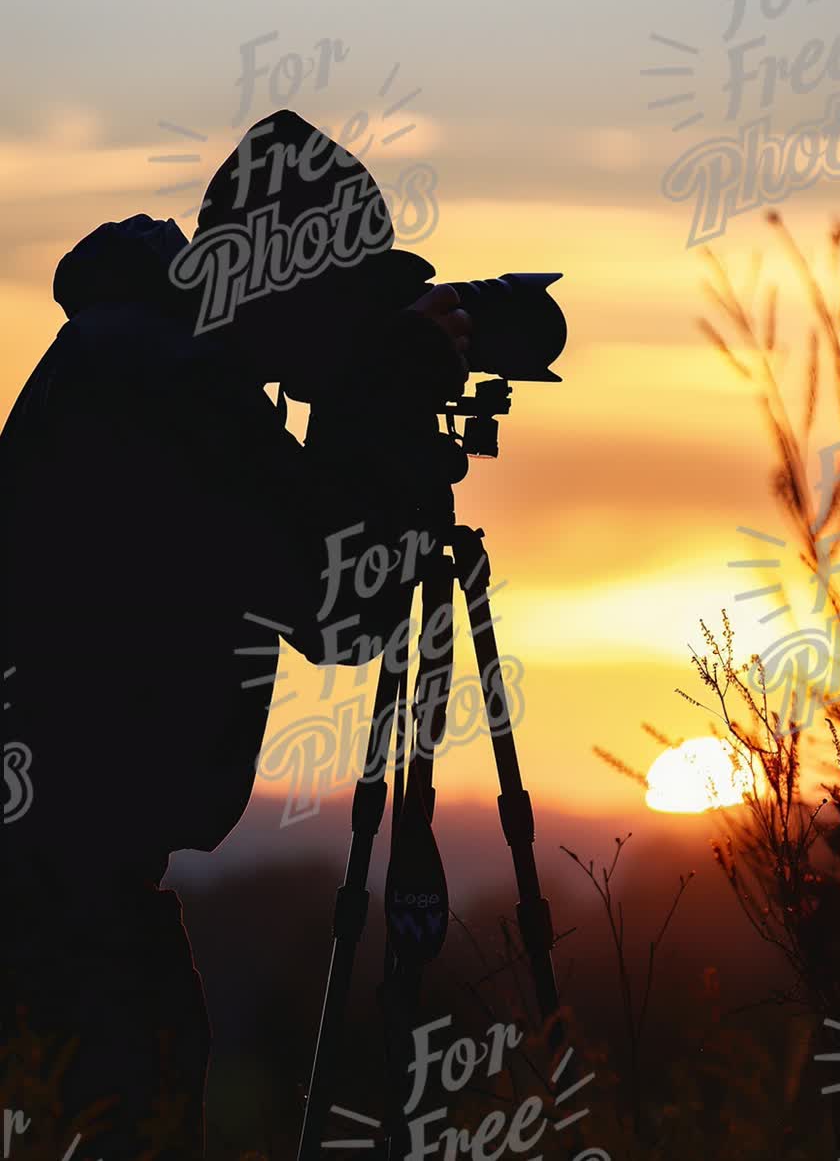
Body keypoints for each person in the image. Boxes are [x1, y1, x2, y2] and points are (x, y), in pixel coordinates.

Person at [1, 110, 471, 1160]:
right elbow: (341, 607)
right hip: (53, 919)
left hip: (67, 896)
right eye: (348, 295)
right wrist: (384, 404)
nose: (351, 327)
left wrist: (372, 408)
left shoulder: (145, 361)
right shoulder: (168, 385)